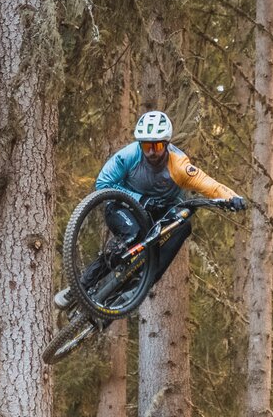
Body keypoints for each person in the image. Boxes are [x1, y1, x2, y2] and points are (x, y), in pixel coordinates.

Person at [55, 111, 246, 310]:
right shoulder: (128, 156)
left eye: (157, 145)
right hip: (123, 206)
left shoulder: (179, 165)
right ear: (140, 145)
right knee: (133, 235)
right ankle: (80, 287)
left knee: (183, 226)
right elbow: (103, 183)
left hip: (161, 212)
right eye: (147, 146)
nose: (152, 152)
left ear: (167, 144)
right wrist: (140, 199)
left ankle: (136, 287)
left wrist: (231, 198)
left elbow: (208, 184)